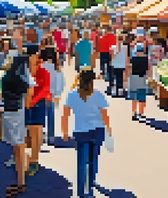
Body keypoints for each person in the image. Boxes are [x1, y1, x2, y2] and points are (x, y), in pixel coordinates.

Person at [62, 68, 113, 198]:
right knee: (93, 160)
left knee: (81, 163)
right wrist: (108, 129)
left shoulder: (72, 95)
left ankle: (80, 191)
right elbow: (104, 115)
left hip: (80, 131)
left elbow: (65, 115)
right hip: (97, 131)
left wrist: (65, 132)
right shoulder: (98, 95)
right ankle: (89, 187)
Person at [2, 44, 39, 197]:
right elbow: (28, 101)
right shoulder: (26, 77)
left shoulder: (10, 74)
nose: (35, 64)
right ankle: (20, 182)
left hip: (9, 112)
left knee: (18, 148)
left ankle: (20, 180)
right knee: (19, 148)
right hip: (18, 114)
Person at [23, 47, 51, 176]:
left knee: (36, 130)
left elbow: (45, 89)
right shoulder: (23, 72)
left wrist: (33, 101)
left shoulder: (44, 72)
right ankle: (23, 158)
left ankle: (34, 160)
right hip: (26, 103)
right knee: (26, 131)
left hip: (38, 104)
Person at [41, 46, 64, 145]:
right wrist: (57, 94)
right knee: (51, 115)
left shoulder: (41, 66)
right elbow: (61, 82)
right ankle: (51, 136)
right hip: (51, 93)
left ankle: (41, 135)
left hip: (42, 94)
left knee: (41, 115)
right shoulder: (56, 68)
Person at [128, 43, 151, 121]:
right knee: (142, 96)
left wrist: (127, 76)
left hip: (134, 78)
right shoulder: (146, 58)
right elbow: (149, 69)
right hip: (142, 78)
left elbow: (129, 68)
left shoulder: (133, 58)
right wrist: (149, 77)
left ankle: (133, 113)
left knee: (134, 97)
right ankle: (141, 113)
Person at [110, 32, 128, 98]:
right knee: (120, 79)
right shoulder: (125, 47)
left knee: (115, 78)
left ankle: (114, 92)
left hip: (115, 64)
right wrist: (126, 65)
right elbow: (126, 57)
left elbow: (111, 57)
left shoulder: (112, 47)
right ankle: (120, 93)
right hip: (122, 65)